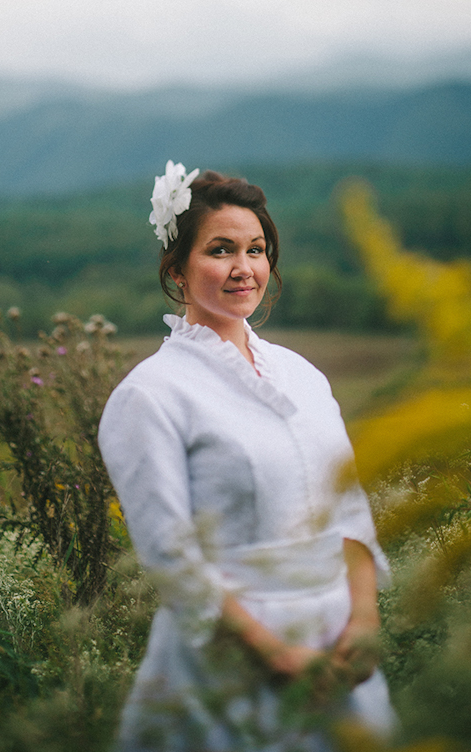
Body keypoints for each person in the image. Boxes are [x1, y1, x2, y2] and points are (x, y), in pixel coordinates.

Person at [98, 161, 396, 751]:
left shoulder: (304, 375)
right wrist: (278, 656)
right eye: (221, 250)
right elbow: (170, 558)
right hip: (229, 657)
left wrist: (363, 622)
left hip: (337, 643)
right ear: (176, 271)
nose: (244, 268)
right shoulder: (149, 395)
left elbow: (350, 507)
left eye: (256, 250)